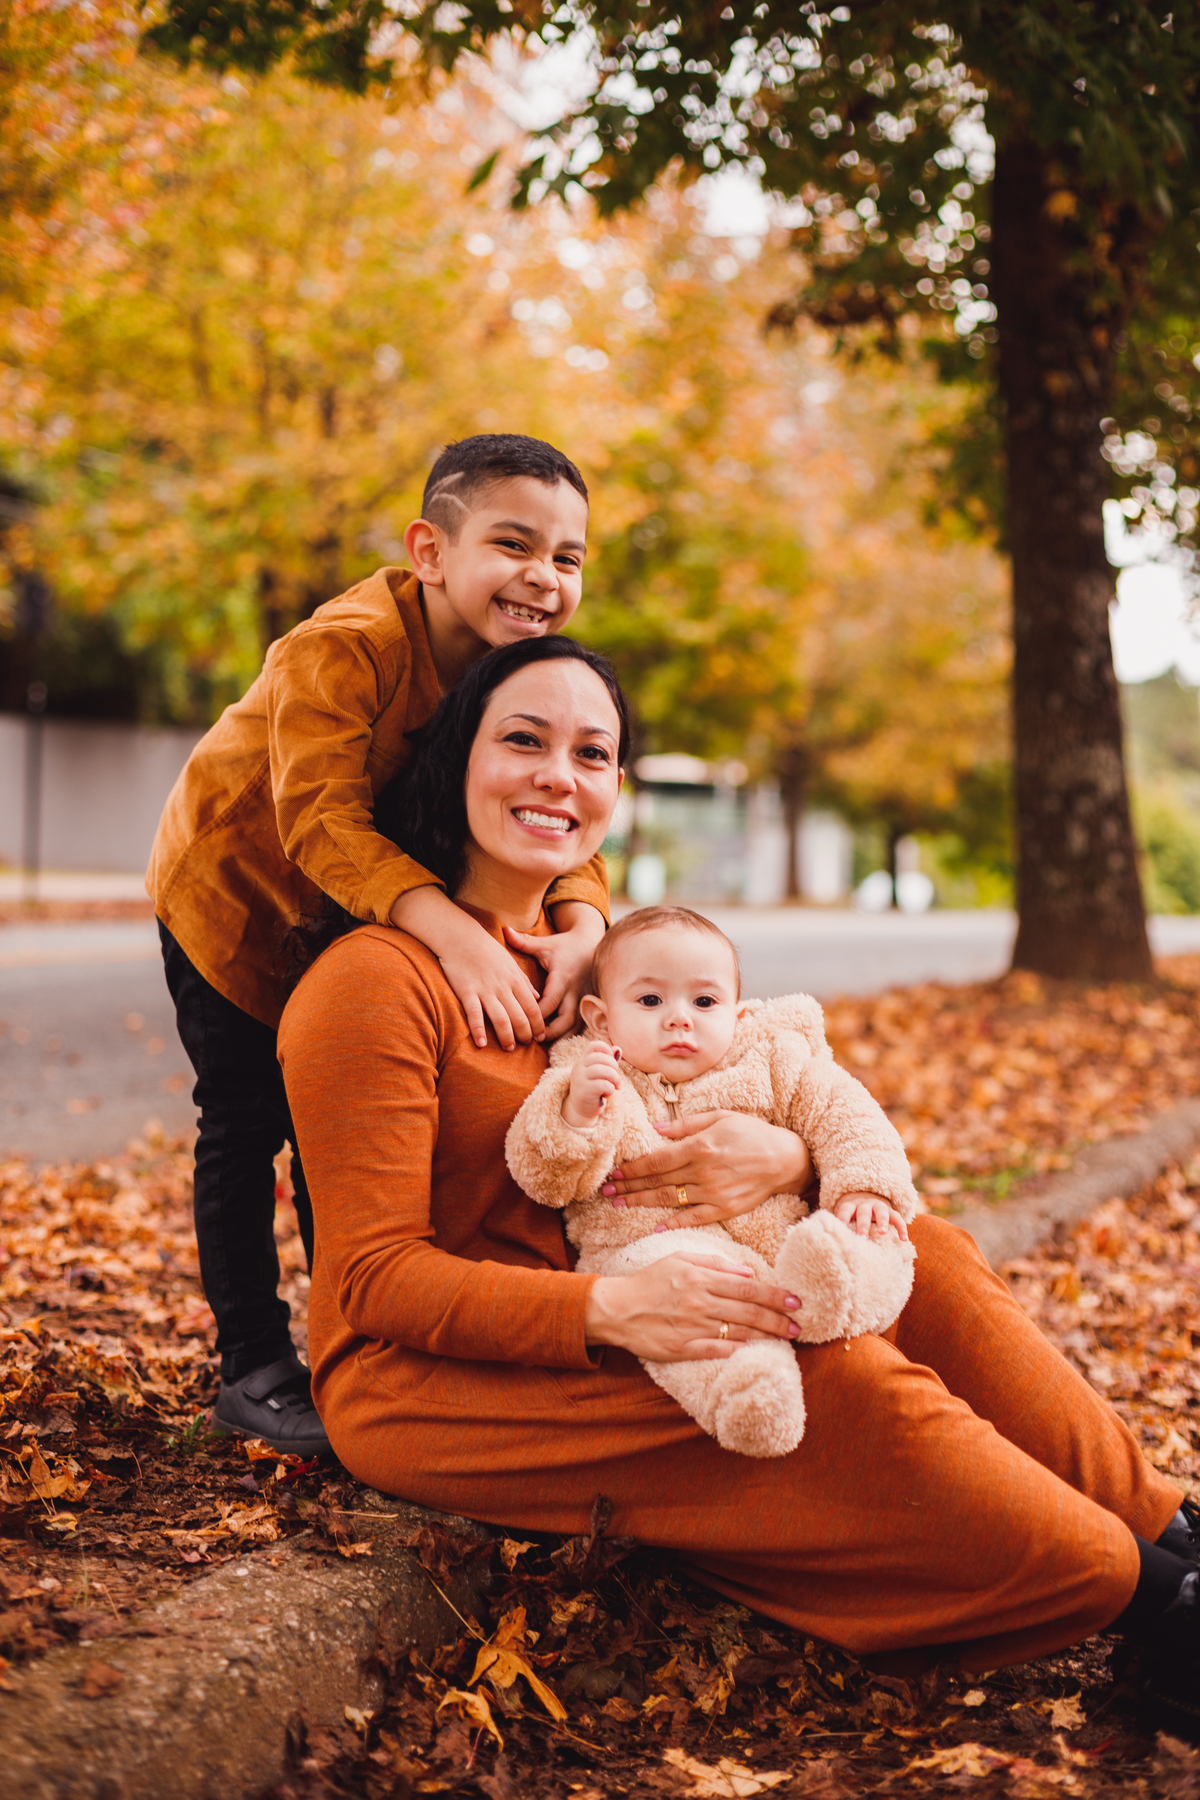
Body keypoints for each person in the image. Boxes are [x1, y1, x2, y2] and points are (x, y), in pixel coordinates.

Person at [279, 633, 1200, 1741]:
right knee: (838, 1382)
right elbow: (373, 1281)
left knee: (929, 1253)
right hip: (439, 1374)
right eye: (523, 741)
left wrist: (797, 1161)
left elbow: (750, 1087)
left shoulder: (596, 961)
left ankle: (1168, 1531)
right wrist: (613, 1308)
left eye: (592, 753)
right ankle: (1151, 1602)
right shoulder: (372, 985)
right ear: (455, 759)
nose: (559, 777)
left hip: (634, 1292)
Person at [148, 434, 610, 1456]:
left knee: (344, 1125)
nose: (544, 576)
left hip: (364, 911)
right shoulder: (343, 647)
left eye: (568, 557)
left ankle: (361, 1334)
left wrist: (585, 921)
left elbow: (559, 799)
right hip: (237, 898)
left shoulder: (516, 669)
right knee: (245, 1120)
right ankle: (252, 1365)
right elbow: (320, 823)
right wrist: (453, 934)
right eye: (514, 545)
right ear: (430, 552)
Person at [504, 905, 917, 1457]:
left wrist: (867, 1186)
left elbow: (846, 1113)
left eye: (704, 1002)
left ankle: (836, 1288)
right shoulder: (589, 1075)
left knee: (875, 1236)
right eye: (650, 1001)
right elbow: (542, 1177)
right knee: (686, 1308)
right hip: (654, 1255)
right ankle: (748, 1391)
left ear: (738, 1015)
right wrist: (574, 1115)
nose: (679, 1019)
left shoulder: (770, 1058)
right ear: (601, 1019)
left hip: (782, 1243)